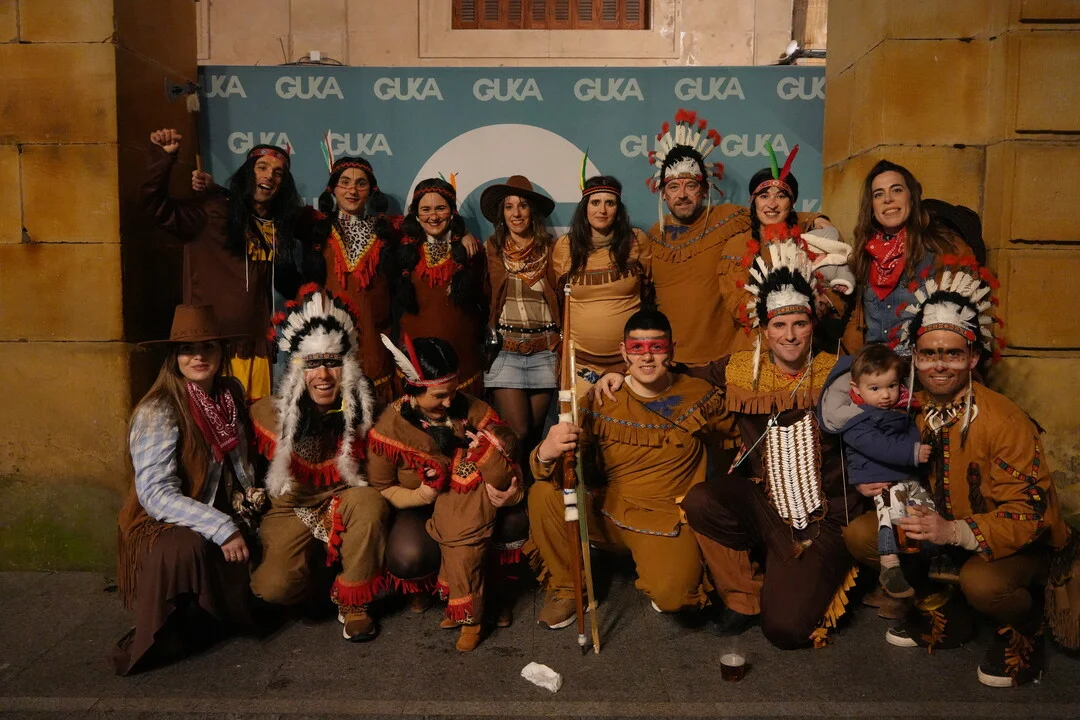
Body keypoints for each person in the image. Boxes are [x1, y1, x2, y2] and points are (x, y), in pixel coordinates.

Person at [843, 259, 1078, 687]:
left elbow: (1031, 516)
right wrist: (868, 477)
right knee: (862, 536)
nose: (940, 365)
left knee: (982, 582)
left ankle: (1024, 631)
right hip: (943, 535)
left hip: (1013, 545)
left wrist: (954, 531)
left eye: (952, 353)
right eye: (929, 353)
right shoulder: (910, 408)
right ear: (915, 357)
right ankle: (945, 608)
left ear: (972, 357)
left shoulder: (1003, 420)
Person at [678, 240, 864, 649]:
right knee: (701, 500)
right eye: (779, 325)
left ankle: (794, 573)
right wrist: (622, 374)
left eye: (799, 324)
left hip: (826, 517)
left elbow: (888, 402)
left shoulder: (840, 372)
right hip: (765, 504)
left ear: (813, 324)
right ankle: (747, 593)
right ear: (764, 329)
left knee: (785, 630)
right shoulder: (741, 368)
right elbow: (679, 375)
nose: (790, 335)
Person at [531, 309, 731, 629]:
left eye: (656, 347)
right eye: (637, 348)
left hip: (663, 520)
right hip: (607, 512)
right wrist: (546, 451)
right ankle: (570, 588)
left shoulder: (699, 396)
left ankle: (658, 569)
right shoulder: (601, 397)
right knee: (543, 494)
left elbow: (738, 437)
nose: (647, 357)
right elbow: (563, 467)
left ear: (672, 350)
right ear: (624, 352)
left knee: (675, 598)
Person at [112, 305, 263, 675]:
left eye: (208, 346)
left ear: (221, 352)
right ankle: (163, 629)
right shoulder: (160, 410)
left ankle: (214, 613)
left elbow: (241, 465)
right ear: (174, 357)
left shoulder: (229, 394)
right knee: (186, 546)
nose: (198, 356)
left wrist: (252, 506)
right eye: (187, 349)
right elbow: (155, 493)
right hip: (161, 521)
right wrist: (222, 527)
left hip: (218, 505)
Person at [249, 287, 389, 642]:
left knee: (369, 502)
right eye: (313, 364)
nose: (323, 374)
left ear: (348, 367)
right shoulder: (270, 414)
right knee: (272, 588)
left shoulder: (366, 409)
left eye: (332, 363)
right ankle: (318, 582)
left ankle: (354, 603)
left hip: (346, 501)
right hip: (291, 510)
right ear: (298, 370)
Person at [367, 335, 523, 652]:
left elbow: (507, 454)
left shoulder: (472, 408)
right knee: (408, 555)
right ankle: (436, 591)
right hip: (419, 506)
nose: (450, 402)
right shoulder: (388, 428)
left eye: (453, 391)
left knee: (514, 520)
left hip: (470, 506)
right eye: (439, 396)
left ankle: (494, 595)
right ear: (413, 390)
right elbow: (384, 488)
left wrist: (511, 492)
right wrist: (422, 496)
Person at [142, 129, 312, 401]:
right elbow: (157, 208)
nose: (269, 175)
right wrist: (163, 158)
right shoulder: (212, 211)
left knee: (255, 423)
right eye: (262, 167)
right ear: (247, 174)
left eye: (278, 173)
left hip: (257, 349)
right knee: (213, 423)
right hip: (210, 350)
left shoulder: (275, 226)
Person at [817, 344, 932, 599]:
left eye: (892, 386)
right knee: (890, 512)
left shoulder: (898, 407)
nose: (886, 395)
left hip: (903, 475)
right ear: (856, 389)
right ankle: (890, 564)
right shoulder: (857, 419)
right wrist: (912, 453)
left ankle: (924, 560)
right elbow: (879, 446)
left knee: (916, 511)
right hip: (880, 476)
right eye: (875, 389)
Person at [718, 142, 854, 355]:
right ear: (754, 202)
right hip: (757, 347)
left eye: (781, 196)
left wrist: (825, 302)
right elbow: (737, 304)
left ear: (791, 203)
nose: (772, 204)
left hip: (808, 341)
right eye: (764, 196)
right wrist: (790, 307)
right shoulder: (737, 245)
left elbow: (836, 283)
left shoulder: (810, 239)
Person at [643, 109, 752, 367]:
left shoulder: (728, 218)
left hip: (723, 361)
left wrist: (814, 219)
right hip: (668, 362)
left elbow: (772, 213)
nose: (682, 195)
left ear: (704, 190)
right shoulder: (653, 236)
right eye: (673, 187)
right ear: (663, 194)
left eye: (690, 185)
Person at [843, 160, 973, 352]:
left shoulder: (943, 247)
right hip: (872, 363)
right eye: (878, 194)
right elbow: (855, 318)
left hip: (922, 360)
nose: (888, 199)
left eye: (896, 190)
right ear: (871, 206)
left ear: (912, 197)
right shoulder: (864, 253)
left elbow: (965, 316)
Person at [301, 156, 399, 406]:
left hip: (375, 337)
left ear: (372, 190)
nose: (352, 190)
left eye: (360, 184)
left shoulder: (388, 230)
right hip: (330, 337)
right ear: (332, 188)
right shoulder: (316, 229)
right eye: (344, 182)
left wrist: (461, 234)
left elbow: (430, 228)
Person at [480, 175, 561, 458]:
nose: (516, 213)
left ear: (532, 211)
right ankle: (511, 484)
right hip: (506, 350)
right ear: (502, 214)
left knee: (536, 435)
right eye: (509, 206)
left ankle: (530, 484)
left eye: (523, 205)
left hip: (544, 350)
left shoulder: (551, 249)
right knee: (518, 431)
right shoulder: (492, 247)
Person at [551, 175, 652, 397]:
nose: (602, 210)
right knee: (581, 419)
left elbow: (650, 295)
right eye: (595, 202)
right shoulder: (565, 246)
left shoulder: (637, 241)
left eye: (610, 203)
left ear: (618, 209)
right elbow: (559, 300)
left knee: (625, 418)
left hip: (631, 361)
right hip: (579, 363)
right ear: (585, 208)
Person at [396, 178, 487, 396]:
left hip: (462, 362)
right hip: (415, 362)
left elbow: (484, 299)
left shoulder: (471, 250)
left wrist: (463, 234)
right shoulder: (404, 249)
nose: (434, 216)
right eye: (425, 209)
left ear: (452, 211)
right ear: (416, 213)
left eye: (440, 208)